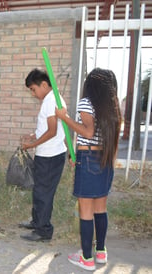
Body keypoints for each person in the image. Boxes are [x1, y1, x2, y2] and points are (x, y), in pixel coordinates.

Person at [56, 68, 121, 271]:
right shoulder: (111, 106)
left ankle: (86, 258)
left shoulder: (87, 102)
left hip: (89, 157)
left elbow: (88, 132)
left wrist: (64, 117)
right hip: (104, 159)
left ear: (90, 84)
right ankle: (100, 252)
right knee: (100, 208)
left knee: (86, 210)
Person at [19, 68, 67, 242]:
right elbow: (50, 128)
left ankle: (43, 231)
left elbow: (52, 131)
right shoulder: (52, 98)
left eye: (33, 89)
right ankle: (37, 222)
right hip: (48, 154)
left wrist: (31, 144)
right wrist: (34, 135)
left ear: (44, 84)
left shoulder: (51, 99)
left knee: (43, 193)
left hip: (50, 156)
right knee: (39, 191)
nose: (33, 94)